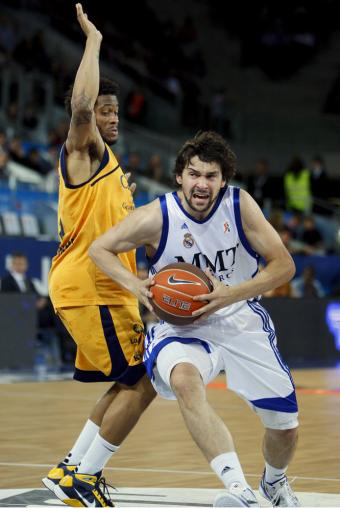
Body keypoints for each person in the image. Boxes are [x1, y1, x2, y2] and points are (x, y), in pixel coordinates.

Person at [89, 131, 300, 507]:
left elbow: (284, 266)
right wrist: (135, 286)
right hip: (182, 326)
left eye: (211, 176)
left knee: (285, 430)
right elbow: (99, 249)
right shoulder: (157, 216)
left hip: (239, 318)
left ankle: (274, 481)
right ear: (179, 177)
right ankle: (239, 491)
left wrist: (229, 294)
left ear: (223, 181)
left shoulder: (240, 206)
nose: (201, 183)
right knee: (185, 380)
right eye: (194, 174)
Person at [43, 4, 155, 507]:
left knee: (130, 380)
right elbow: (82, 108)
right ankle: (83, 477)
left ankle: (72, 470)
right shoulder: (82, 150)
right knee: (146, 377)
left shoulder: (112, 172)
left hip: (107, 287)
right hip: (90, 285)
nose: (109, 118)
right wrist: (94, 42)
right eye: (103, 111)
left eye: (114, 111)